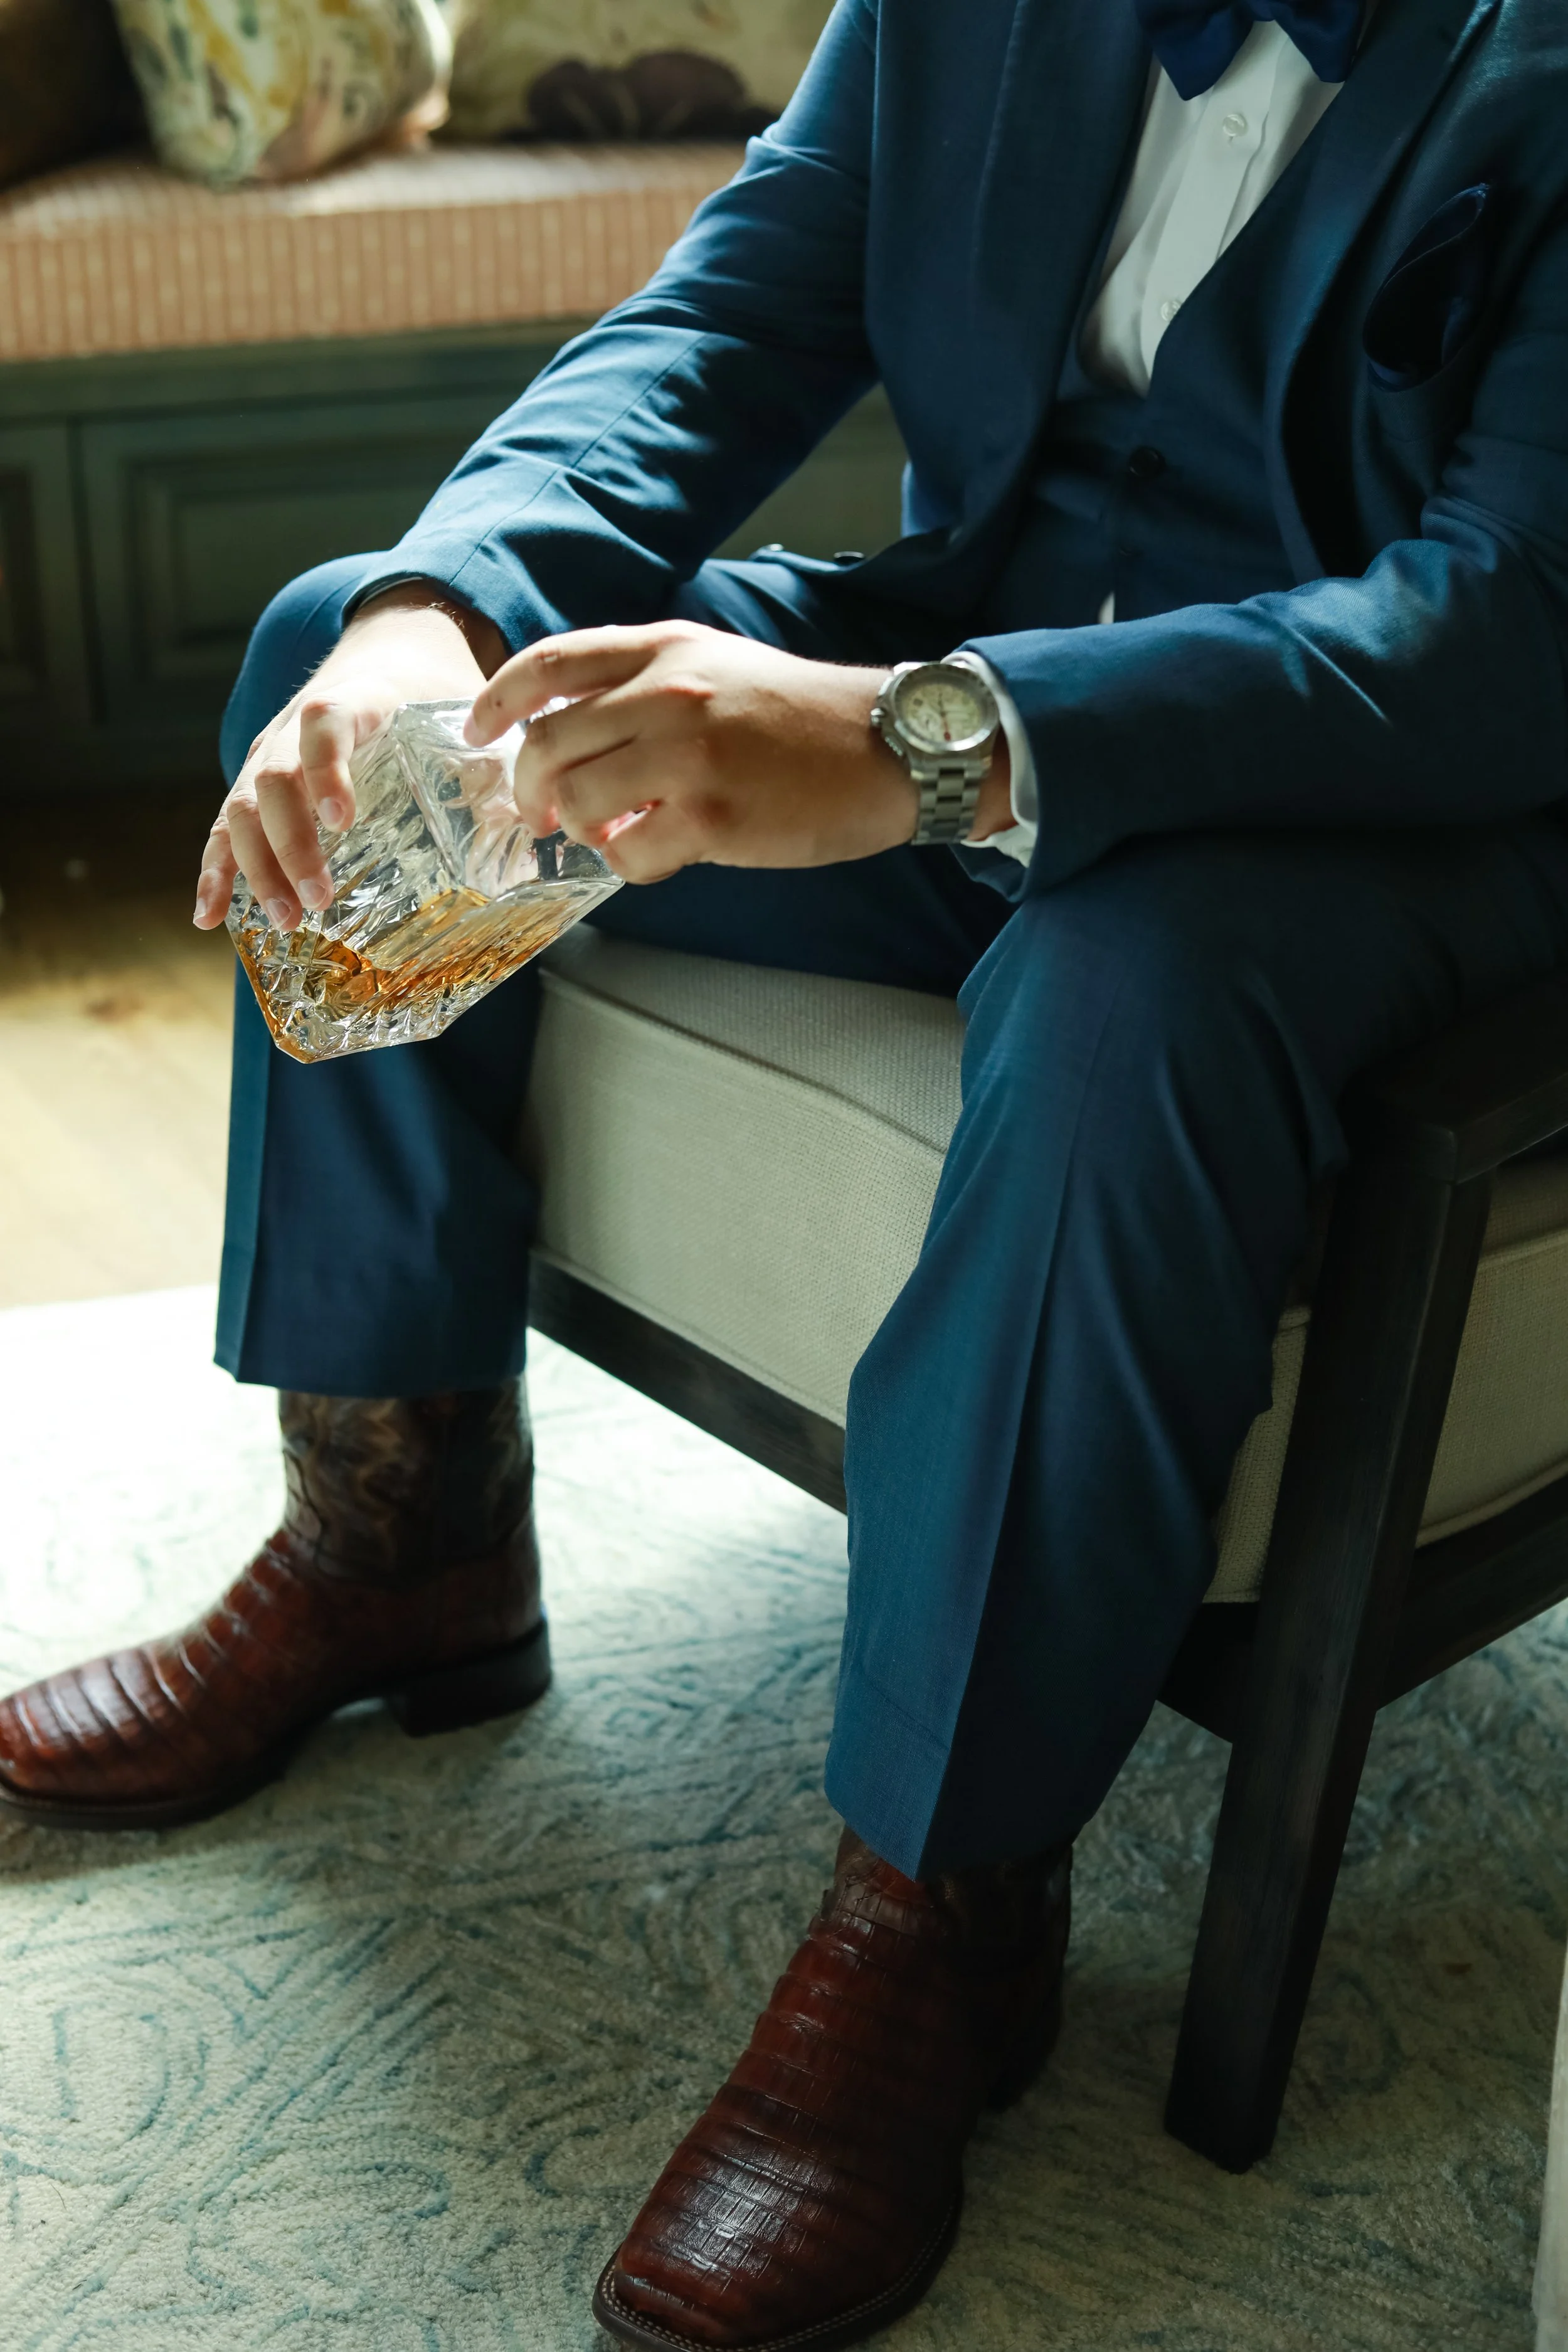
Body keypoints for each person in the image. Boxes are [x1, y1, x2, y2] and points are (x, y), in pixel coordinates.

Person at [6, 0, 1568, 2340]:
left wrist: (934, 744)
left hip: (1388, 798)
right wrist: (444, 612)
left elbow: (1504, 629)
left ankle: (942, 1902)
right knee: (347, 657)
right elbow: (732, 308)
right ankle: (400, 1532)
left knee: (1123, 985)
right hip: (964, 649)